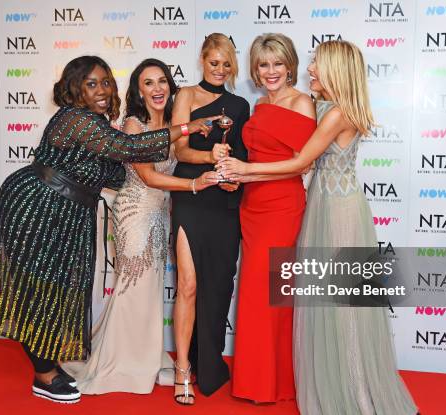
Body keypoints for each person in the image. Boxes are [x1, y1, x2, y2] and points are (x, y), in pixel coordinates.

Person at [0, 55, 217, 404]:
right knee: (39, 288)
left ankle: (50, 363)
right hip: (38, 204)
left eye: (106, 82)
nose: (102, 90)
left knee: (59, 287)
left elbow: (117, 169)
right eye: (92, 83)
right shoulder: (74, 119)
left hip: (69, 210)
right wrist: (187, 127)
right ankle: (43, 374)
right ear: (74, 88)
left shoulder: (97, 124)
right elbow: (129, 149)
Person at [218, 40, 418, 415]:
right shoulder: (328, 107)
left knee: (342, 304)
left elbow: (302, 161)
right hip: (322, 205)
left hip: (339, 211)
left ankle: (357, 393)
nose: (310, 70)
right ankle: (330, 381)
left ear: (336, 72)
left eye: (317, 66)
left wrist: (245, 170)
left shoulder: (336, 113)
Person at [62, 59, 220, 395]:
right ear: (138, 91)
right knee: (133, 286)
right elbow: (148, 176)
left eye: (162, 81)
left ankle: (144, 356)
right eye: (148, 83)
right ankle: (124, 361)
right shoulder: (134, 124)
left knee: (149, 290)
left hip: (161, 212)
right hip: (134, 212)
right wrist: (195, 186)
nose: (158, 89)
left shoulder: (176, 122)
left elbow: (184, 157)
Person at [226, 33, 316, 404]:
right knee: (254, 294)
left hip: (281, 205)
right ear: (255, 70)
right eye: (264, 64)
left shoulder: (302, 103)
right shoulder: (259, 104)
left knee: (272, 295)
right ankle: (257, 380)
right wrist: (238, 176)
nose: (271, 71)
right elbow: (257, 159)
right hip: (252, 205)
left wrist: (247, 171)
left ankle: (273, 384)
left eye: (278, 63)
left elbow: (301, 163)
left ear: (290, 65)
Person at [170, 33, 249, 405]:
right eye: (213, 62)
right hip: (190, 195)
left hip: (223, 204)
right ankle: (182, 369)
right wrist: (209, 157)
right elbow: (180, 148)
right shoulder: (185, 95)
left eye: (226, 63)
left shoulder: (239, 104)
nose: (219, 69)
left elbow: (244, 154)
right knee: (188, 285)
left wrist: (235, 179)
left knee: (218, 285)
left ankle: (210, 364)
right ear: (202, 59)